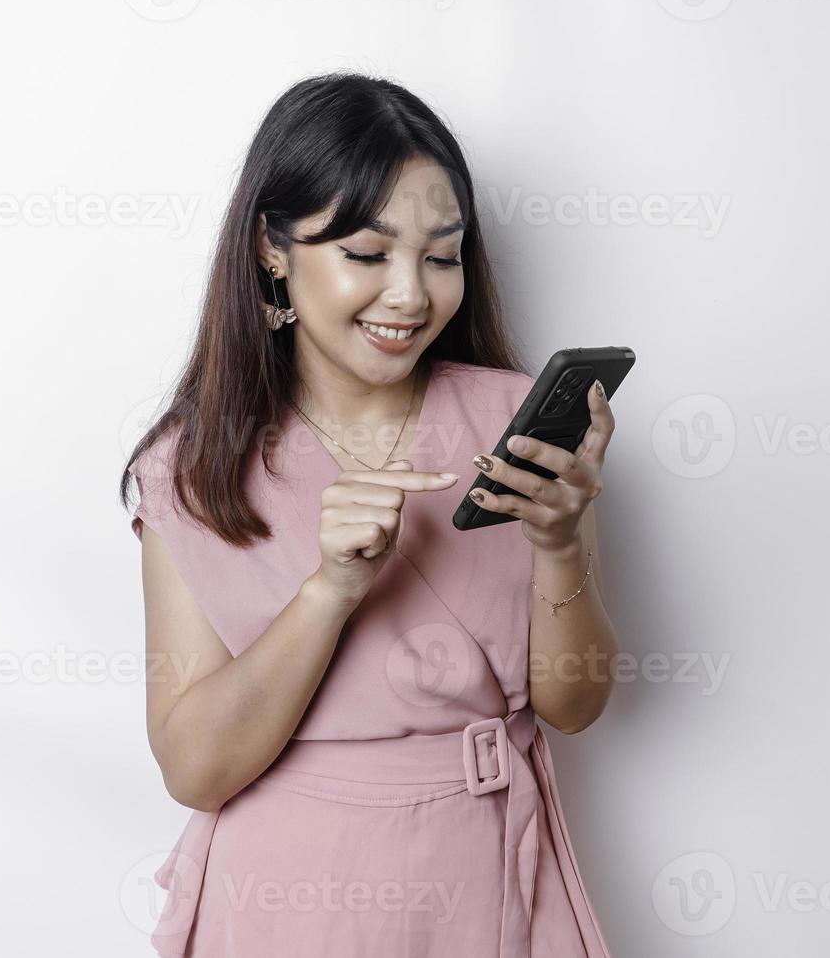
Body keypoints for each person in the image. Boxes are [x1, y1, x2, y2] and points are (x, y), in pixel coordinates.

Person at [120, 71, 620, 957]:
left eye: (440, 255)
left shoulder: (520, 428)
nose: (411, 296)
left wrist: (557, 544)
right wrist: (330, 590)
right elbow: (194, 767)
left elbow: (574, 707)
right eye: (366, 253)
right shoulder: (196, 468)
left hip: (488, 886)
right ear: (274, 250)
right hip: (288, 901)